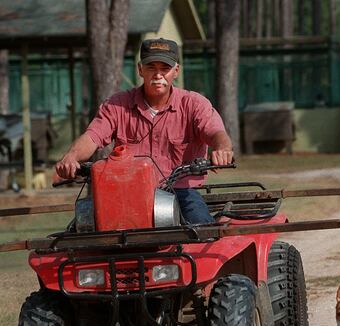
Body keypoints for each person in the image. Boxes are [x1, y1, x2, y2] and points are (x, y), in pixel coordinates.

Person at [55, 38, 233, 224]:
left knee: (201, 231)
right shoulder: (117, 105)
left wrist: (222, 149)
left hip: (180, 191)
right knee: (83, 233)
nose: (158, 75)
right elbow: (93, 136)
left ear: (176, 71)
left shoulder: (194, 104)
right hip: (126, 192)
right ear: (140, 69)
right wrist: (71, 157)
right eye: (151, 67)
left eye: (165, 68)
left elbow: (215, 132)